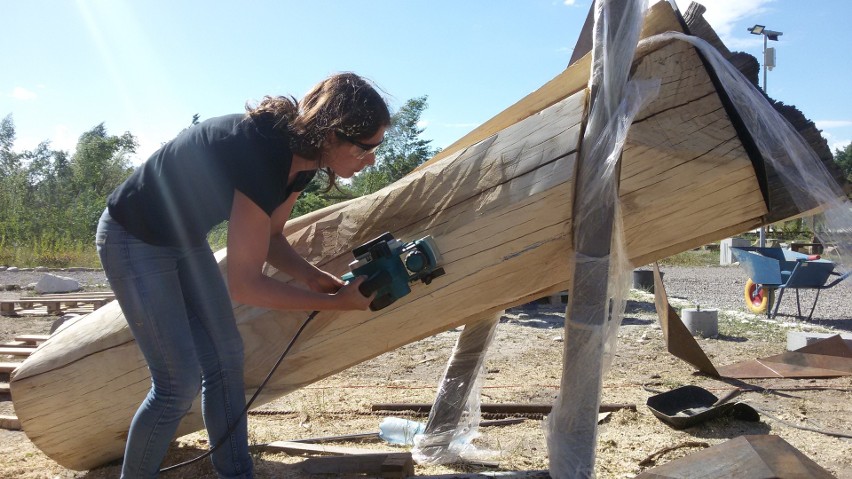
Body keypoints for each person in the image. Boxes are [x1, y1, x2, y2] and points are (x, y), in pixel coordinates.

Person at [95, 72, 391, 478]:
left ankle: (236, 472)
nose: (372, 158)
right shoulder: (264, 154)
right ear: (332, 135)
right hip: (132, 236)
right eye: (366, 148)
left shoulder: (301, 163)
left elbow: (269, 236)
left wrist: (312, 277)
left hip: (182, 239)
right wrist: (334, 304)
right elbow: (245, 284)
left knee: (226, 356)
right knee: (176, 384)